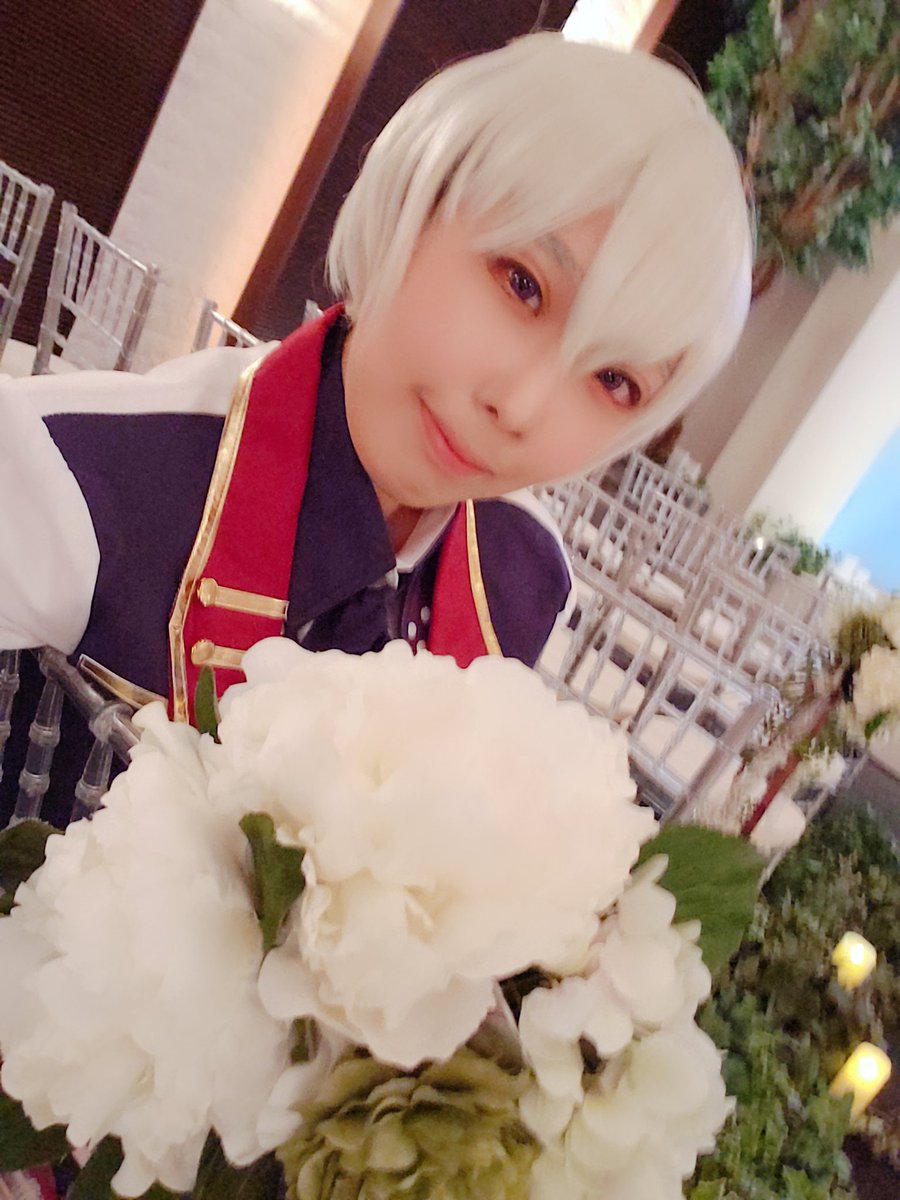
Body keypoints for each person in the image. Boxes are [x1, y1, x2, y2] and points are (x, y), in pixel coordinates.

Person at [0, 33, 752, 822]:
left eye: (613, 380)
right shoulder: (75, 479)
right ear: (416, 198)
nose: (521, 407)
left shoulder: (522, 574)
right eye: (522, 283)